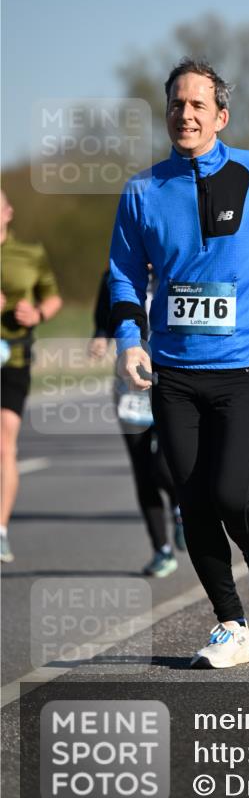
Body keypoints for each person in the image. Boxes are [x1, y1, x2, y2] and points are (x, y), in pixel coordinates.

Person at [108, 58, 249, 669]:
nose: (186, 115)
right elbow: (125, 275)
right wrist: (130, 338)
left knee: (233, 493)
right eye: (176, 106)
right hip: (174, 373)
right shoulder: (143, 191)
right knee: (194, 500)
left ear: (221, 115)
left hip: (242, 368)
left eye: (198, 105)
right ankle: (229, 625)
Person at [89, 268, 184, 578]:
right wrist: (101, 338)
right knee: (143, 470)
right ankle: (161, 550)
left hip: (174, 381)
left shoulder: (177, 264)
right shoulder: (116, 275)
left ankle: (182, 509)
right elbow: (104, 317)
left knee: (165, 465)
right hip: (131, 387)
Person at [0, 191, 62, 562]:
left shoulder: (30, 254)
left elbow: (52, 297)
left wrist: (36, 314)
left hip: (14, 358)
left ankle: (1, 529)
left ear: (8, 212)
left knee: (5, 440)